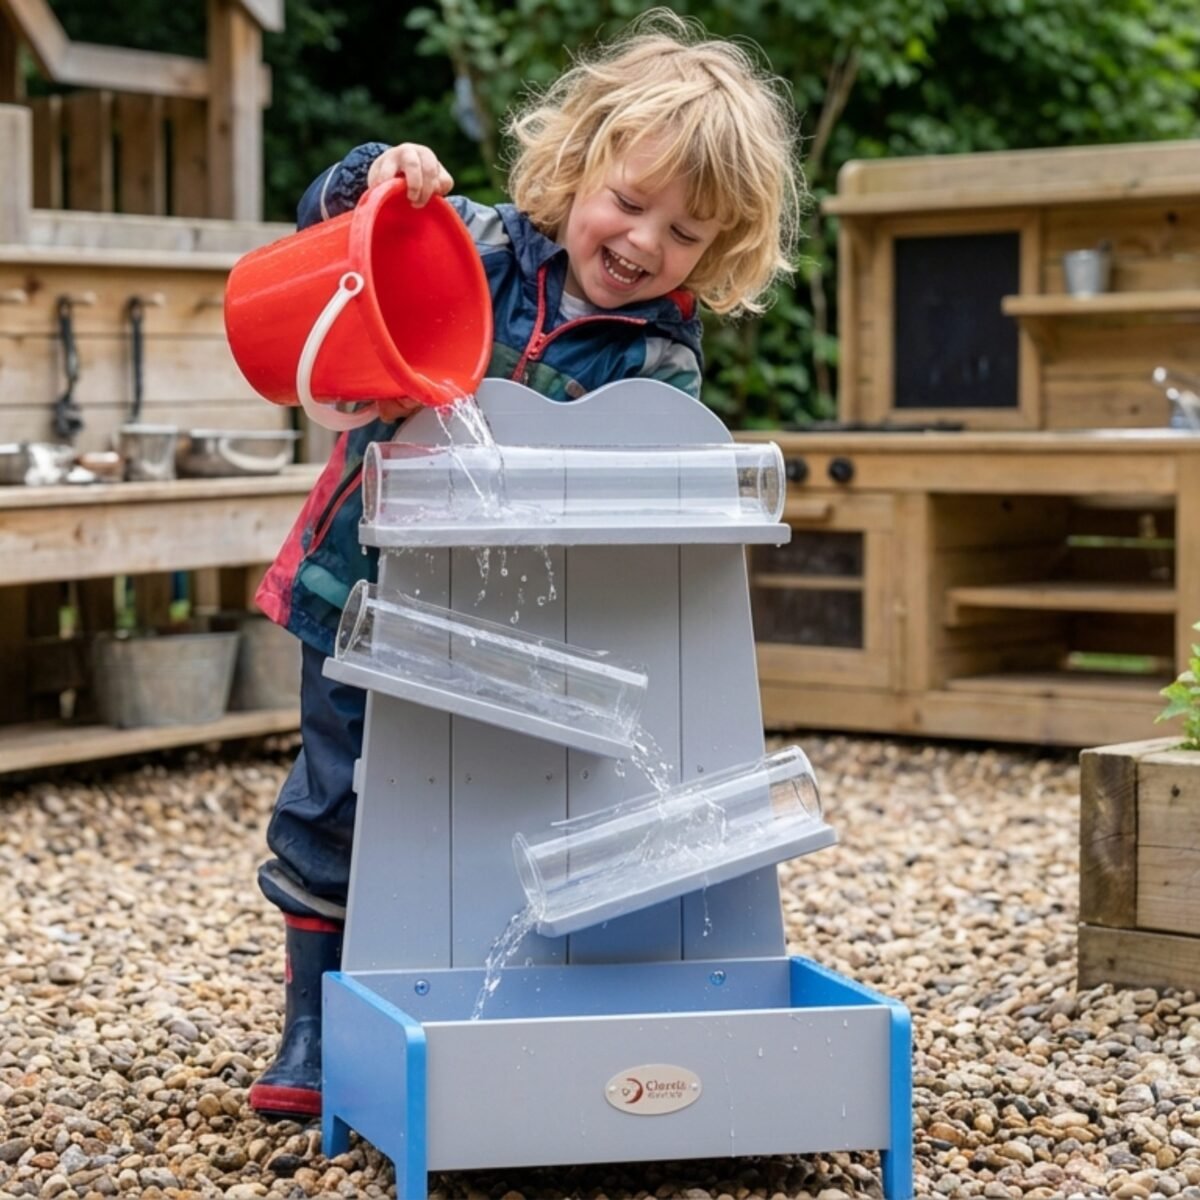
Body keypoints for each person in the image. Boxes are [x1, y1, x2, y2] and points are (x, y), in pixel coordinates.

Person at [247, 7, 803, 1118]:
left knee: (471, 811)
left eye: (687, 234)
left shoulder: (658, 360)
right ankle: (313, 1023)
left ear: (722, 250)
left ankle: (443, 990)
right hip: (358, 585)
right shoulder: (476, 244)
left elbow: (634, 506)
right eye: (629, 201)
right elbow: (331, 234)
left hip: (509, 636)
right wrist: (377, 177)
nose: (644, 242)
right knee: (333, 804)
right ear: (580, 159)